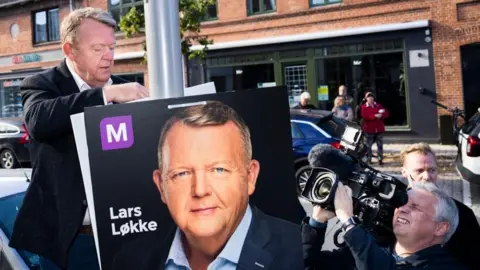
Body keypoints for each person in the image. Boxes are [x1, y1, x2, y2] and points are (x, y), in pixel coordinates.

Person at [9, 7, 149, 270]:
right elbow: (39, 120)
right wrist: (104, 96)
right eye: (98, 49)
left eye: (112, 47)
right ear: (69, 50)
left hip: (124, 237)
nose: (109, 56)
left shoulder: (125, 90)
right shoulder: (41, 84)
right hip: (69, 242)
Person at [113, 101, 304, 270]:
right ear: (161, 186)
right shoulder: (130, 260)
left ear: (250, 177)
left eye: (219, 170)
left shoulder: (302, 249)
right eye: (182, 173)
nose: (200, 190)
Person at [302, 181, 467, 270]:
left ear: (440, 228)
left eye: (415, 207)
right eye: (401, 203)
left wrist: (349, 222)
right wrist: (317, 223)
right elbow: (305, 264)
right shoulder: (375, 248)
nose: (402, 209)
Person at [400, 143, 480, 270]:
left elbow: (475, 259)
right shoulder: (391, 211)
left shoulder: (461, 214)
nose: (426, 177)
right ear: (404, 172)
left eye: (431, 170)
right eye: (419, 171)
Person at [361, 91, 389, 165]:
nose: (370, 98)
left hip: (379, 128)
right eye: (368, 97)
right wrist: (374, 116)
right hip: (369, 129)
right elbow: (364, 116)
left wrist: (381, 115)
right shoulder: (364, 107)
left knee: (380, 145)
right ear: (366, 98)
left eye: (372, 97)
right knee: (368, 145)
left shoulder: (378, 105)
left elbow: (386, 113)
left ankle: (380, 159)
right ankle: (369, 159)